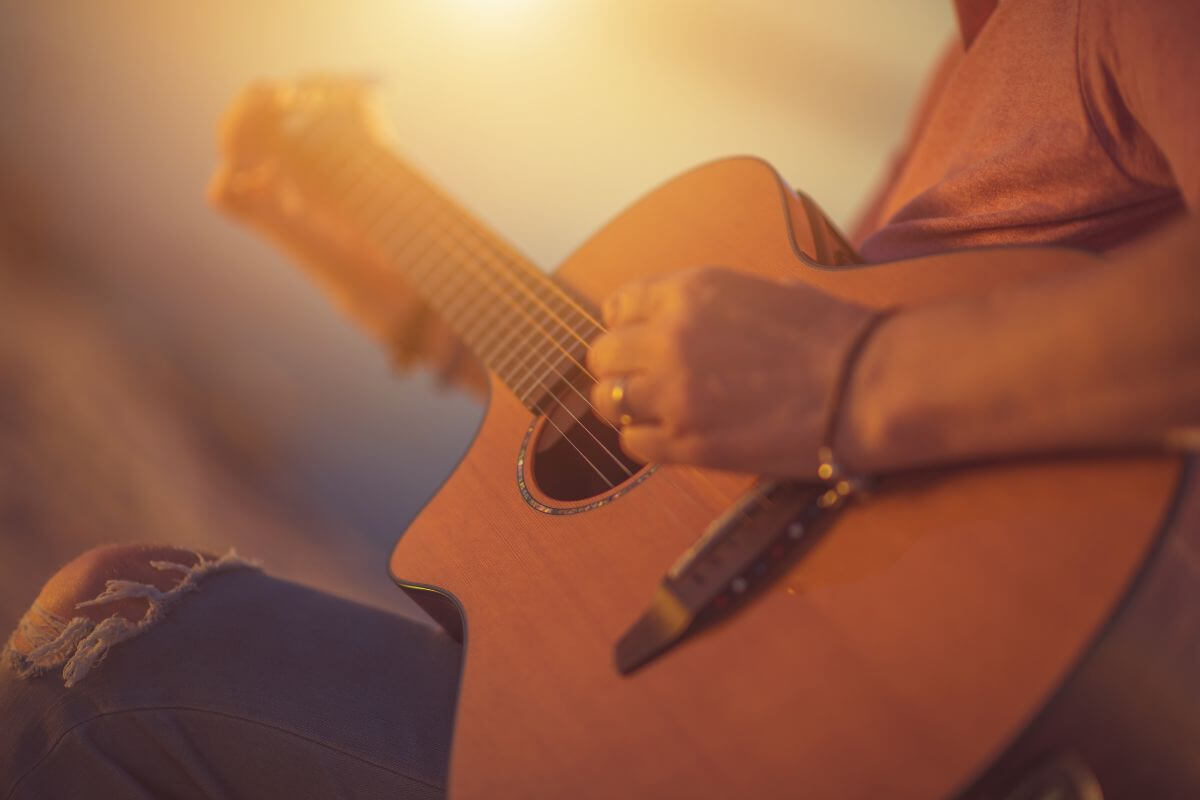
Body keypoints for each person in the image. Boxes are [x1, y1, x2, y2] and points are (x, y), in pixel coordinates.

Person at [3, 0, 1198, 797]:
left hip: (994, 714)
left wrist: (848, 379)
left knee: (121, 638)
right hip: (724, 707)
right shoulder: (959, 87)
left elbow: (814, 390)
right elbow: (679, 435)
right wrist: (398, 282)